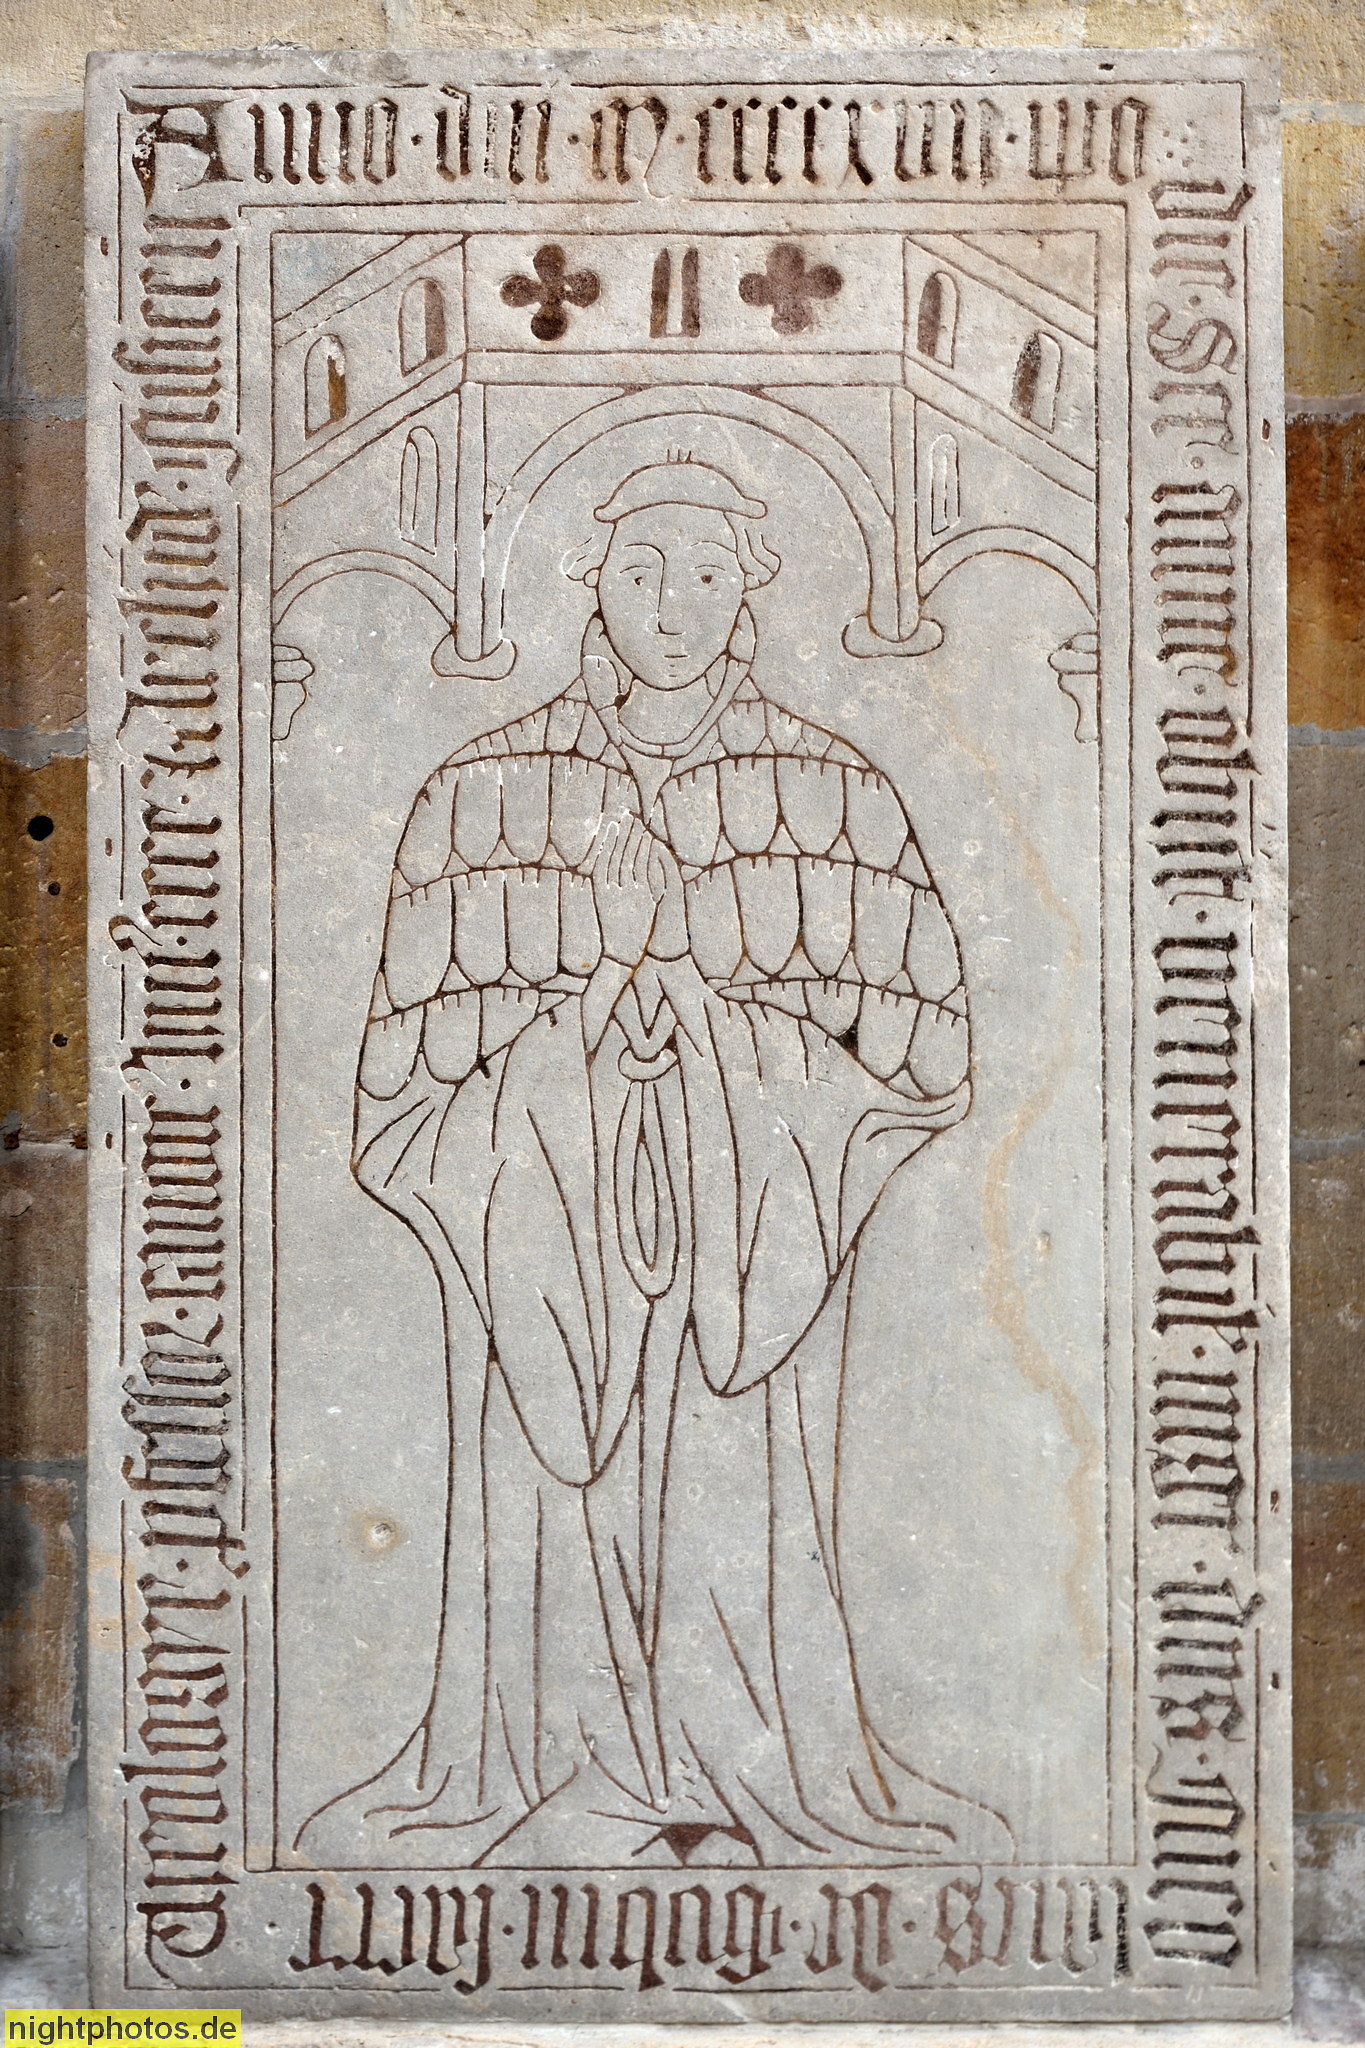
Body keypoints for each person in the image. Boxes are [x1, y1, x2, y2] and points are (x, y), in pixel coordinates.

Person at [296, 455, 1012, 1869]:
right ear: (592, 586)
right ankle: (554, 1764)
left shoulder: (834, 789)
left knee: (739, 1510)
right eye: (640, 570)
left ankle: (752, 1768)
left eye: (702, 572)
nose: (670, 604)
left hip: (750, 1248)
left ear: (749, 589)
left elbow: (920, 1061)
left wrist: (701, 1022)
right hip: (542, 1250)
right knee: (552, 1508)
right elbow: (401, 1100)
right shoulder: (478, 794)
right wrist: (581, 1040)